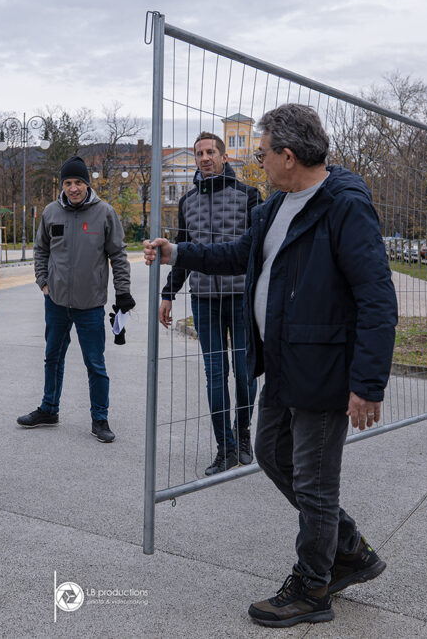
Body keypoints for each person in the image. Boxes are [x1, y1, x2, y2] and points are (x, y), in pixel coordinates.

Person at [143, 104, 397, 628]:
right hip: (282, 364)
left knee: (315, 479)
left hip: (325, 369)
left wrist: (367, 384)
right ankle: (349, 548)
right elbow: (239, 254)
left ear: (288, 155)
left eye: (261, 155)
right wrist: (177, 253)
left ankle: (312, 587)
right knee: (269, 452)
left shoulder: (344, 208)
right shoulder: (273, 208)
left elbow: (377, 299)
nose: (256, 163)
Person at [159, 131, 260, 475]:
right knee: (215, 375)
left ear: (223, 156)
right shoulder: (187, 202)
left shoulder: (248, 196)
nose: (204, 157)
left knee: (246, 373)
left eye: (210, 152)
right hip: (204, 300)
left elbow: (258, 251)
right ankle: (225, 449)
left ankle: (243, 432)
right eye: (199, 153)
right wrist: (168, 294)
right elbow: (182, 251)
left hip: (241, 297)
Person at [16, 155, 134, 443]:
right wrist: (43, 282)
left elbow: (118, 255)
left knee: (95, 363)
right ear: (62, 185)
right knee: (52, 357)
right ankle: (49, 409)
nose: (73, 188)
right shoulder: (51, 212)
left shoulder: (105, 213)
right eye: (68, 183)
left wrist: (123, 292)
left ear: (87, 183)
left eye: (78, 182)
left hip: (90, 305)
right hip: (55, 302)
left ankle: (100, 418)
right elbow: (41, 249)